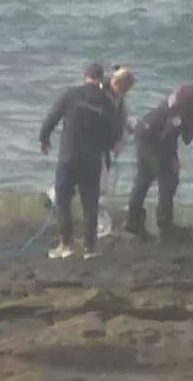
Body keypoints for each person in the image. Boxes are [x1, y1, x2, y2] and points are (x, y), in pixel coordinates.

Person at [125, 78, 193, 241]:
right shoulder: (187, 107)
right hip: (156, 138)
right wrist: (173, 159)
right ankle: (165, 227)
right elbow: (168, 135)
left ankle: (133, 222)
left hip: (145, 129)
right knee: (168, 181)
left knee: (143, 179)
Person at [40, 63, 117, 259]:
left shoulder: (71, 94)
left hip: (69, 157)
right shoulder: (106, 101)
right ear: (101, 78)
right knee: (90, 203)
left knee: (63, 199)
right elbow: (115, 133)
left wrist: (44, 139)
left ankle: (67, 245)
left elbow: (51, 118)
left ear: (85, 76)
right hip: (92, 159)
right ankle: (90, 248)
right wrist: (104, 148)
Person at [96, 65, 136, 235]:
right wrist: (114, 142)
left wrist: (131, 127)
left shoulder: (118, 97)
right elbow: (101, 123)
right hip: (95, 146)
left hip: (104, 147)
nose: (125, 93)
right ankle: (101, 226)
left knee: (90, 181)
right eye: (124, 88)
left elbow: (124, 116)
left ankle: (55, 195)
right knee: (100, 185)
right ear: (116, 83)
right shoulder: (100, 97)